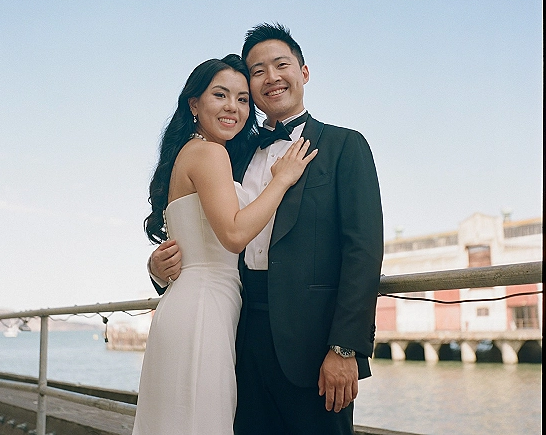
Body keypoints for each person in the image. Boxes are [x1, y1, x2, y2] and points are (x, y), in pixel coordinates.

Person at [150, 24, 384, 434]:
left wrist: (345, 348)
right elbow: (205, 233)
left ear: (304, 72)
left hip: (313, 347)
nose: (272, 77)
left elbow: (363, 252)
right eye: (258, 71)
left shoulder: (345, 146)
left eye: (281, 65)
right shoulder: (230, 153)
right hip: (235, 336)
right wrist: (158, 269)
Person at [133, 53, 317, 435]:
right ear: (194, 104)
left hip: (198, 303)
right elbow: (233, 235)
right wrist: (281, 180)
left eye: (242, 98)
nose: (233, 107)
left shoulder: (199, 152)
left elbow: (190, 238)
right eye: (220, 95)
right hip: (204, 306)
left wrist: (157, 268)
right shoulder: (209, 152)